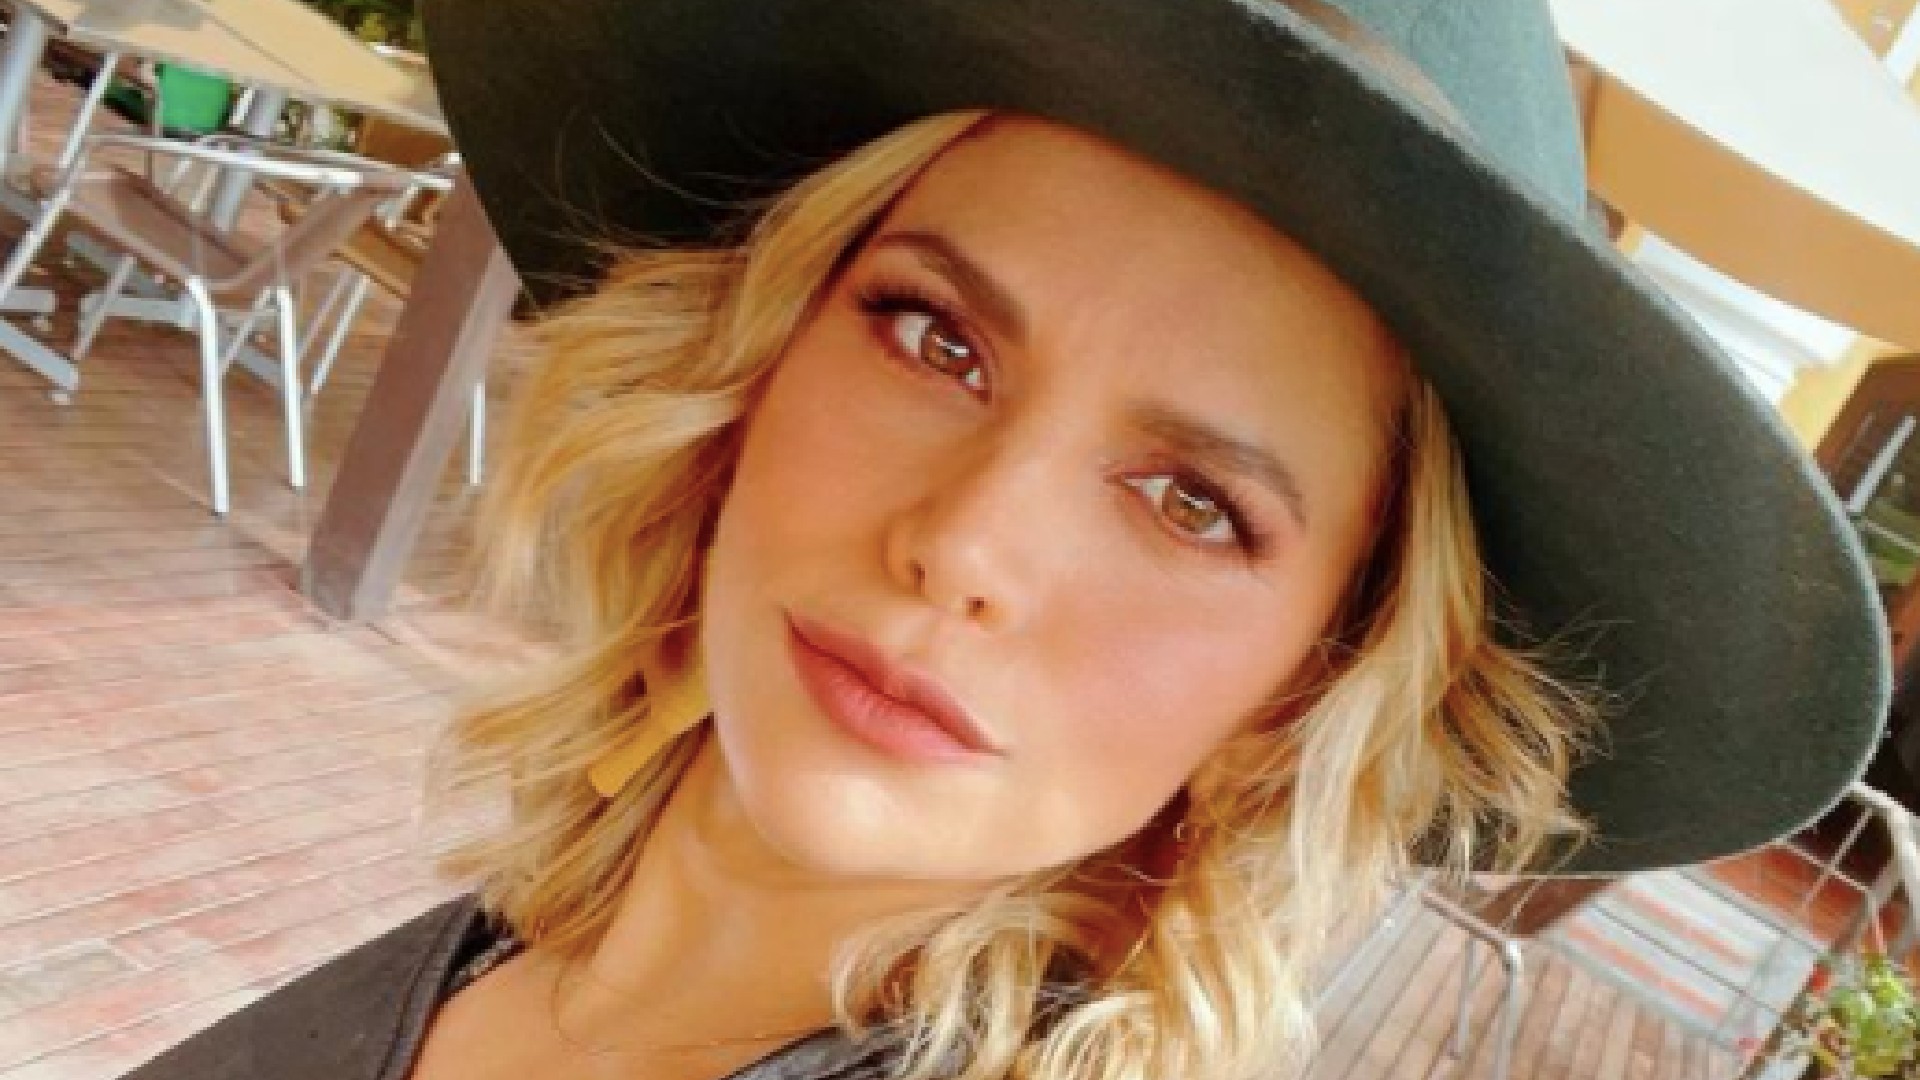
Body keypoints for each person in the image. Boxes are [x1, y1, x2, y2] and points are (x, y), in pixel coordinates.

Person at [126, 0, 1889, 1078]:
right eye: (934, 339)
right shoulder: (550, 925)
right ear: (754, 359)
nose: (968, 544)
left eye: (1194, 504)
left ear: (1305, 688)